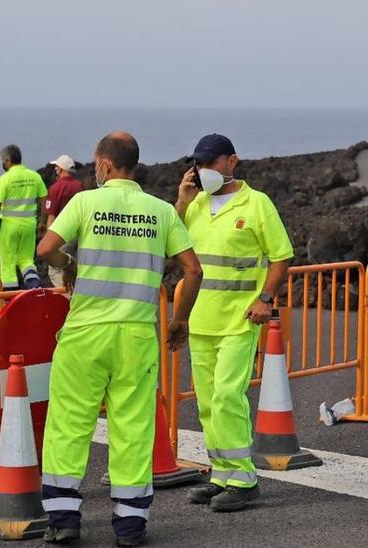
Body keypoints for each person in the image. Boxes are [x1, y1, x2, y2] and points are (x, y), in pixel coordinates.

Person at [36, 132, 203, 546]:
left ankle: (64, 518)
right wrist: (179, 319)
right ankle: (129, 525)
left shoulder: (85, 203)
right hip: (136, 335)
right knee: (132, 426)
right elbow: (193, 270)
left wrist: (70, 263)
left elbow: (46, 249)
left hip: (86, 333)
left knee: (70, 422)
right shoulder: (161, 211)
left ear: (105, 165)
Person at [174, 134, 293, 512]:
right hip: (201, 319)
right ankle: (221, 473)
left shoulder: (257, 204)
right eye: (199, 164)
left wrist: (265, 299)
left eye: (211, 163)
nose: (204, 170)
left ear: (232, 162)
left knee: (228, 396)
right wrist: (182, 201)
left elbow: (281, 257)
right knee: (208, 402)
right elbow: (170, 243)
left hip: (240, 320)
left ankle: (243, 479)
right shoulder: (196, 204)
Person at [0, 144, 47, 290]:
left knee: (8, 263)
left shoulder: (5, 179)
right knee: (26, 260)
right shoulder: (34, 177)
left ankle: (10, 297)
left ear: (7, 161)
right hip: (29, 226)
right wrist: (42, 222)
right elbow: (45, 200)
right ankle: (34, 288)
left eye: (3, 161)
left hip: (8, 227)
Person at [42, 154, 91, 290]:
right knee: (75, 267)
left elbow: (51, 215)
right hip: (78, 233)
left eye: (57, 167)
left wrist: (49, 237)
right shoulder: (80, 187)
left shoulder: (55, 188)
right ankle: (77, 293)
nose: (55, 170)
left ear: (60, 169)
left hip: (62, 234)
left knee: (55, 270)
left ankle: (66, 294)